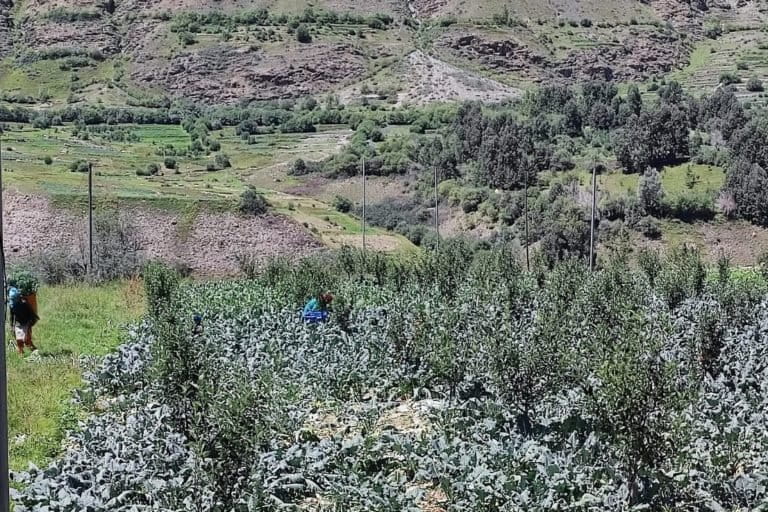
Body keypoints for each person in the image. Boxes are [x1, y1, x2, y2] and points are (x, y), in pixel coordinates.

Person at [8, 287, 38, 355]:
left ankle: (30, 346)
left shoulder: (24, 303)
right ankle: (20, 351)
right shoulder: (12, 305)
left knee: (25, 337)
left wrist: (31, 321)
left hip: (25, 322)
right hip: (18, 323)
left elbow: (30, 313)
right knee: (19, 338)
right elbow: (12, 316)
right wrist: (12, 325)